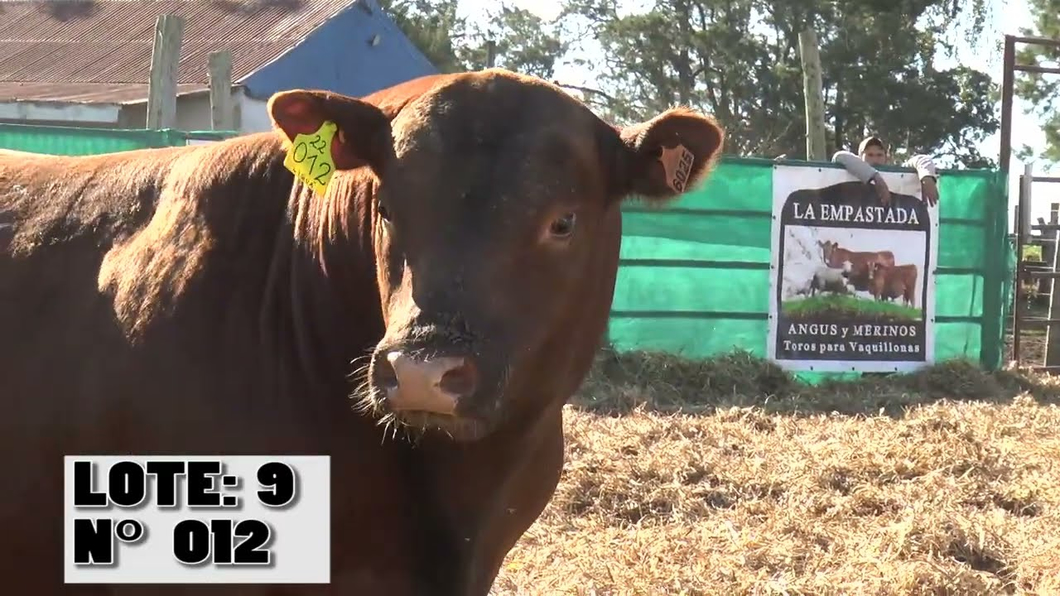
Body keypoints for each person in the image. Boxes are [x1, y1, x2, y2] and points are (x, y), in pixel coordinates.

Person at [831, 136, 940, 206]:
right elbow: (839, 156)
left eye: (879, 155)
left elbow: (921, 159)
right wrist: (876, 177)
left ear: (886, 157)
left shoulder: (897, 177)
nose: (875, 159)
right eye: (870, 155)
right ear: (860, 157)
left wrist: (926, 177)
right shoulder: (853, 170)